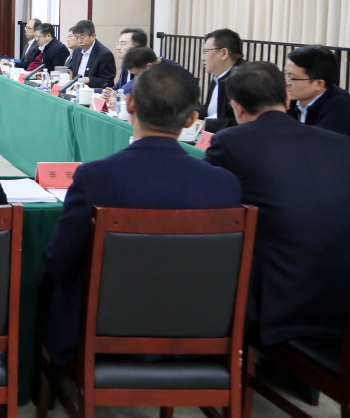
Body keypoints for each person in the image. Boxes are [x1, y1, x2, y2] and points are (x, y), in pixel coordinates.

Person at [42, 63, 241, 367]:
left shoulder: (95, 178)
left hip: (101, 338)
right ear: (191, 119)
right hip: (198, 339)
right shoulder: (224, 184)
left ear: (130, 104)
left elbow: (60, 263)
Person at [204, 62, 350, 347]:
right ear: (286, 98)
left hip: (280, 307)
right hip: (340, 302)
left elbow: (206, 205)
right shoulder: (341, 144)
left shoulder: (231, 142)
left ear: (237, 107)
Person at [284, 45, 350, 137]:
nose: (286, 82)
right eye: (285, 75)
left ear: (319, 84)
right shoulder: (292, 99)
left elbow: (320, 142)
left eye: (292, 78)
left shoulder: (341, 107)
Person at [200, 28, 246, 132]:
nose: (203, 57)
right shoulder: (219, 75)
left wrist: (206, 125)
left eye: (206, 51)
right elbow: (209, 109)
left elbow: (242, 122)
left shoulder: (243, 79)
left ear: (224, 53)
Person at [104, 46, 159, 112]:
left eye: (137, 74)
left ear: (149, 67)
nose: (136, 78)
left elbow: (153, 109)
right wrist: (117, 95)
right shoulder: (144, 78)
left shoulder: (162, 83)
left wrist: (124, 106)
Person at [66, 19, 116, 89]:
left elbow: (108, 82)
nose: (79, 41)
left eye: (82, 37)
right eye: (76, 38)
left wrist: (88, 80)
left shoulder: (104, 54)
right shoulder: (77, 51)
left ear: (93, 36)